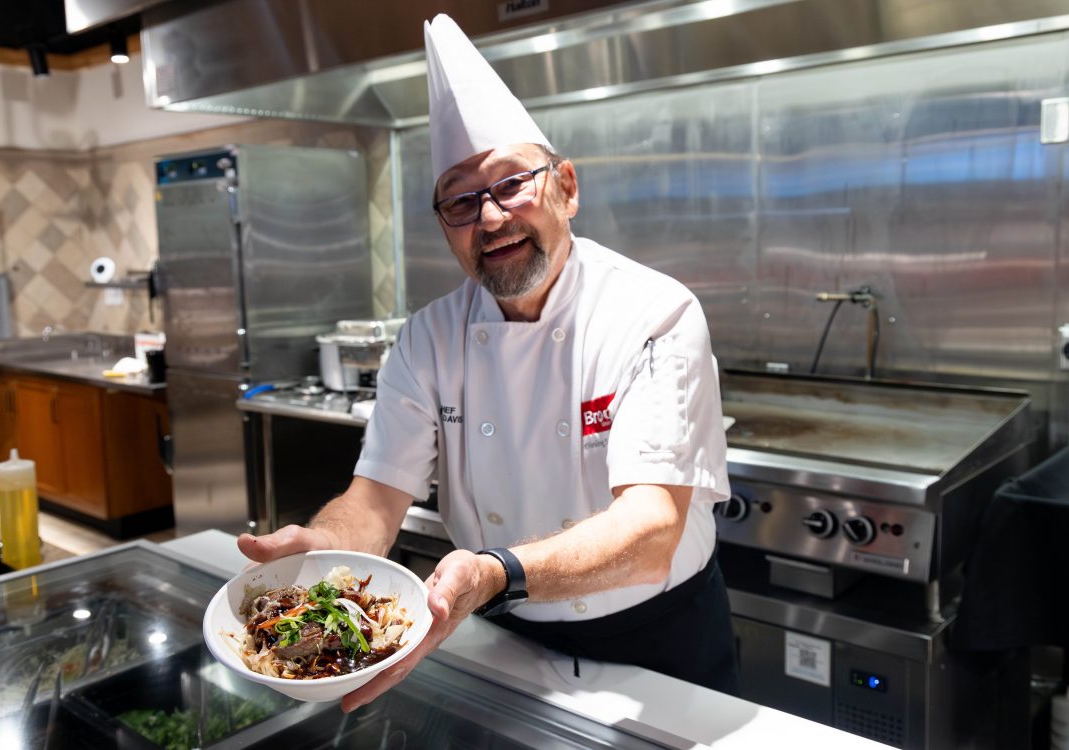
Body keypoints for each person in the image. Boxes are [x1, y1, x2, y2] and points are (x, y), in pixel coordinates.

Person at [237, 13, 738, 712]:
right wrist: (323, 543)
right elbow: (376, 497)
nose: (491, 218)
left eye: (511, 184)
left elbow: (652, 530)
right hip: (509, 639)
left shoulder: (655, 312)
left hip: (659, 646)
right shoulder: (428, 338)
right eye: (461, 201)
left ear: (566, 185)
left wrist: (496, 572)